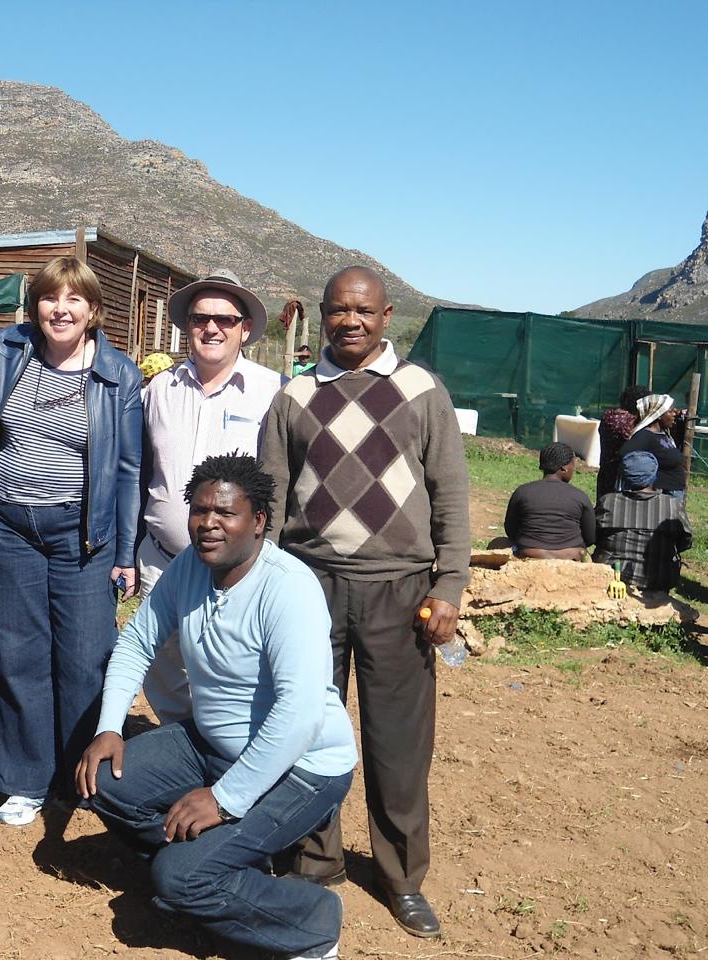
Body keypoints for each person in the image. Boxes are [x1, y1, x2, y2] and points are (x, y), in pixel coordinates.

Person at [258, 265, 470, 938]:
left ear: (387, 315)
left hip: (399, 588)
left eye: (365, 312)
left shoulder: (420, 391)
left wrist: (450, 586)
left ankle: (401, 878)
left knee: (397, 743)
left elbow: (451, 495)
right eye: (338, 312)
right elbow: (269, 495)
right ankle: (313, 860)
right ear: (323, 316)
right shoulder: (294, 395)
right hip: (309, 585)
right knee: (305, 730)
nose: (351, 322)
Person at [76, 453, 356, 960]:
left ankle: (312, 921)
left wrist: (225, 799)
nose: (208, 524)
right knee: (105, 782)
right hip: (212, 746)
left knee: (179, 879)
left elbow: (299, 713)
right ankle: (221, 876)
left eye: (225, 513)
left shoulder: (287, 588)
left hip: (303, 766)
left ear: (259, 522)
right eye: (199, 510)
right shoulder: (189, 568)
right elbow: (138, 642)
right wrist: (110, 727)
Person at [0, 256, 142, 827]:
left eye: (74, 300)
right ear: (35, 306)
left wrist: (124, 552)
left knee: (85, 655)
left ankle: (80, 775)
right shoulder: (6, 351)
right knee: (17, 651)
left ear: (93, 311)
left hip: (82, 532)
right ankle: (24, 779)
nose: (60, 309)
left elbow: (126, 470)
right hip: (10, 523)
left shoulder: (118, 375)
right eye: (49, 298)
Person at [138, 268, 283, 724]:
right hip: (161, 559)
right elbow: (141, 467)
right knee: (160, 664)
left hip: (236, 568)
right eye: (201, 318)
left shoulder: (273, 392)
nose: (212, 328)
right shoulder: (159, 389)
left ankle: (227, 759)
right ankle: (182, 746)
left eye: (225, 319)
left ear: (244, 329)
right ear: (187, 325)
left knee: (228, 670)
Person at [595, 451, 694, 592]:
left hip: (613, 578)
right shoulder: (672, 505)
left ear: (624, 475)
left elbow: (593, 536)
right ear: (654, 475)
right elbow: (685, 541)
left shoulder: (608, 502)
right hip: (659, 580)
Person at [502, 441, 595, 559]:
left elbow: (510, 530)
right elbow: (590, 538)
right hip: (571, 557)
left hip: (530, 554)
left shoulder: (522, 492)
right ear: (564, 468)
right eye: (573, 464)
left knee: (498, 543)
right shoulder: (580, 496)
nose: (573, 469)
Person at [619, 394, 686, 498]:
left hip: (672, 492)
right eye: (670, 411)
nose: (674, 414)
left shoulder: (662, 434)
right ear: (659, 414)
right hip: (661, 493)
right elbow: (626, 455)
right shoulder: (644, 436)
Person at [596, 385, 650, 500]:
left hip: (606, 468)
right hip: (620, 473)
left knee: (604, 504)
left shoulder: (608, 415)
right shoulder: (628, 422)